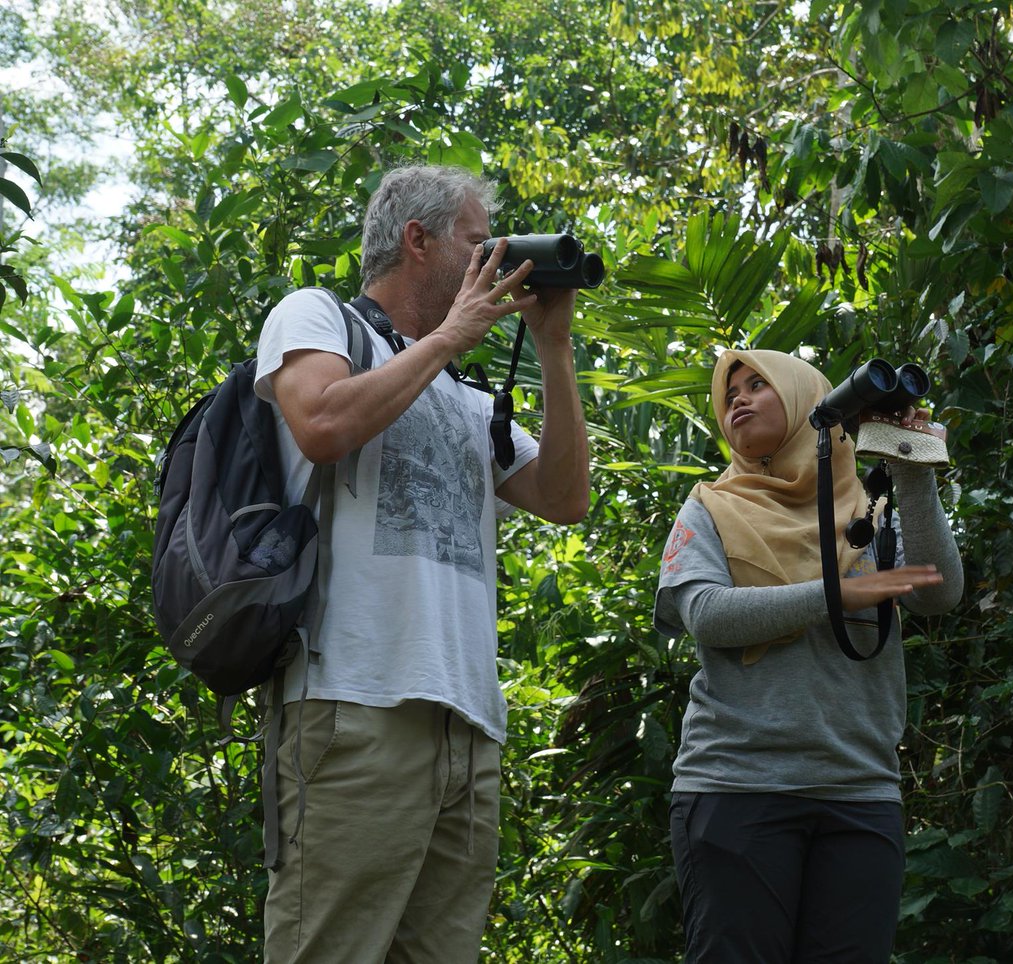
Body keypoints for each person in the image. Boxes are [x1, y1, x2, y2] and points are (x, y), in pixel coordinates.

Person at [253, 164, 590, 962]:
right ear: (418, 240)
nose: (496, 259)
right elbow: (322, 424)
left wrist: (554, 347)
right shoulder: (319, 317)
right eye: (479, 242)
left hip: (464, 723)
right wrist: (447, 339)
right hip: (354, 701)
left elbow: (565, 497)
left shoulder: (466, 393)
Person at [655, 349, 963, 963]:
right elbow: (707, 614)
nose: (738, 400)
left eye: (757, 385)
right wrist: (835, 595)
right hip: (739, 786)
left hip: (862, 789)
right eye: (730, 394)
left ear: (809, 401)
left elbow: (939, 595)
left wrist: (912, 464)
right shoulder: (710, 506)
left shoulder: (869, 512)